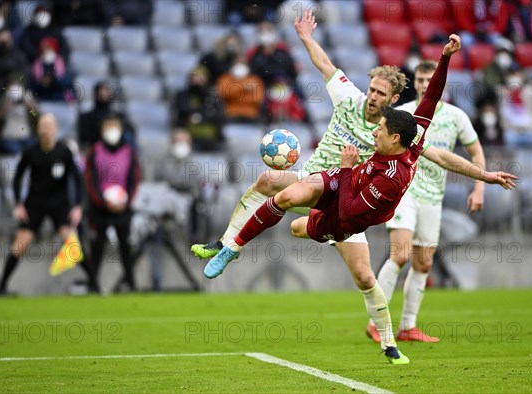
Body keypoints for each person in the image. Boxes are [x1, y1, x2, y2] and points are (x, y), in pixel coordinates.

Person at [192, 11, 515, 363]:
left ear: (392, 101)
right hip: (318, 181)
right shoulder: (348, 97)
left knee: (363, 276)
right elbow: (325, 64)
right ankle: (226, 245)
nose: (372, 96)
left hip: (346, 203)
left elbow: (438, 152)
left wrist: (483, 176)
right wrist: (305, 37)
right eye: (372, 88)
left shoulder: (398, 133)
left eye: (380, 93)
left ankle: (389, 342)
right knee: (272, 181)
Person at [365, 59, 488, 344]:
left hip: (434, 198)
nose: (423, 85)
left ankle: (408, 326)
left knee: (422, 264)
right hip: (404, 193)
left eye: (428, 80)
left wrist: (479, 189)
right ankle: (376, 321)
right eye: (419, 80)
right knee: (400, 254)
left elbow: (477, 154)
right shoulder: (403, 114)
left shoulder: (457, 117)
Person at [0, 113, 95, 295]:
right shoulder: (30, 152)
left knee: (72, 243)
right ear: (38, 129)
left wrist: (78, 206)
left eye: (50, 125)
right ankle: (1, 287)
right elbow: (18, 178)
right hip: (35, 202)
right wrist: (18, 204)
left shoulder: (64, 152)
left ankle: (94, 284)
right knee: (21, 243)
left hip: (59, 203)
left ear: (56, 128)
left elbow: (78, 179)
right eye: (43, 125)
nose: (46, 129)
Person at [85, 113, 141, 292]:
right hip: (100, 208)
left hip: (123, 208)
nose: (112, 131)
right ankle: (93, 284)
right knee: (97, 247)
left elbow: (135, 179)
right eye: (108, 127)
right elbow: (89, 180)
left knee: (125, 246)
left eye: (114, 126)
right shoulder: (94, 151)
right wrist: (102, 201)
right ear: (102, 130)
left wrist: (126, 202)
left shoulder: (129, 152)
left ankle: (130, 283)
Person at [171, 66, 226, 152]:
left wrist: (199, 116)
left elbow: (220, 116)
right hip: (188, 135)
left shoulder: (212, 97)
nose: (197, 80)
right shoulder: (182, 95)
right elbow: (183, 111)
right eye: (195, 77)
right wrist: (206, 113)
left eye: (200, 77)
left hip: (211, 137)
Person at [77, 81, 136, 152]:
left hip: (117, 152)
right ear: (95, 94)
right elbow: (84, 139)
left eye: (106, 91)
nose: (103, 94)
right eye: (100, 91)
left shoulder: (119, 116)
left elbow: (130, 132)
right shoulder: (85, 118)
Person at [216, 57, 265, 123]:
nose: (240, 66)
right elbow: (224, 94)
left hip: (251, 114)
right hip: (231, 114)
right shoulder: (225, 78)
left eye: (242, 64)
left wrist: (235, 97)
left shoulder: (254, 80)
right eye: (237, 64)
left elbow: (258, 99)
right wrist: (243, 89)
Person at [29, 36, 74, 102]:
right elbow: (34, 82)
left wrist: (52, 80)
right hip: (42, 94)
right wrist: (41, 82)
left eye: (49, 49)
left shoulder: (59, 62)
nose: (46, 52)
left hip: (58, 94)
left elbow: (63, 81)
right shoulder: (37, 63)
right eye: (44, 49)